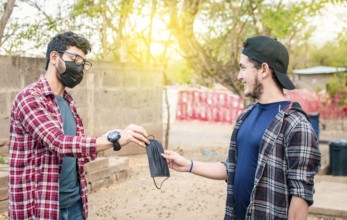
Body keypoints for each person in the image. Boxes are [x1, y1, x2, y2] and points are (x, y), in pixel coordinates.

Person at [162, 36, 321, 220]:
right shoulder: (246, 115)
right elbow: (232, 168)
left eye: (243, 68)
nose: (239, 76)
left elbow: (300, 199)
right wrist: (189, 165)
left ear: (263, 70)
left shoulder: (296, 125)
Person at [8, 31, 149, 220]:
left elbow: (78, 150)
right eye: (74, 58)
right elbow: (58, 143)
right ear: (54, 57)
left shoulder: (68, 102)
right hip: (40, 208)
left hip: (75, 204)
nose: (79, 66)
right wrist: (110, 139)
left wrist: (113, 136)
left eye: (83, 62)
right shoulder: (30, 98)